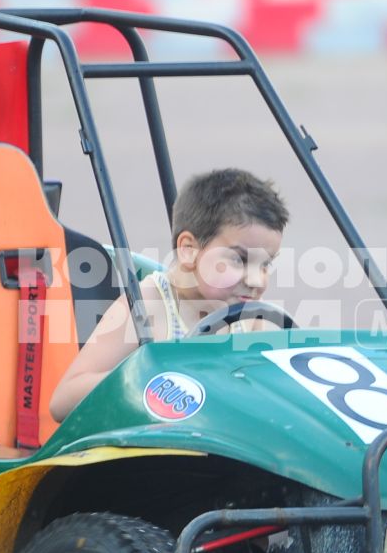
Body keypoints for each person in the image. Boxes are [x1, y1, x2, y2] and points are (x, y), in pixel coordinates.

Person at [49, 169, 289, 422]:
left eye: (266, 265)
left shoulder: (253, 322)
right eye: (239, 259)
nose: (256, 281)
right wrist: (145, 373)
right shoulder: (148, 306)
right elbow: (63, 401)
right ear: (189, 250)